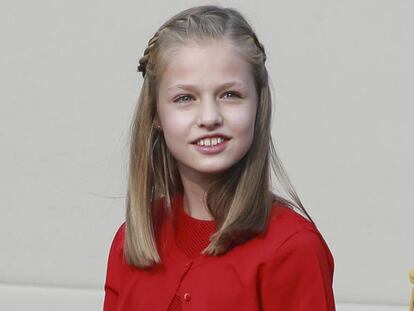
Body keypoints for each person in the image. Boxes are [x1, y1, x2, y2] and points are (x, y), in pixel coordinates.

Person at [103, 5, 335, 311]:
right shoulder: (131, 242)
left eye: (230, 95)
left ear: (258, 104)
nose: (210, 117)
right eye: (185, 98)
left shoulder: (293, 248)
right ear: (156, 114)